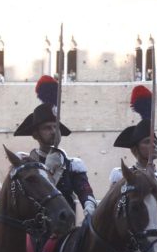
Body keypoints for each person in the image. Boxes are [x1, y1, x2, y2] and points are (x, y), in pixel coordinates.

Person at [13, 75, 96, 217]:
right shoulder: (26, 166)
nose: (53, 131)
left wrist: (89, 206)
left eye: (55, 127)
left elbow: (85, 192)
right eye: (47, 128)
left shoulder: (72, 166)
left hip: (65, 229)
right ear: (35, 134)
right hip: (35, 229)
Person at [110, 85, 157, 236]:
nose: (153, 145)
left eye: (155, 142)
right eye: (146, 142)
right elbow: (112, 210)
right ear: (135, 149)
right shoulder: (122, 177)